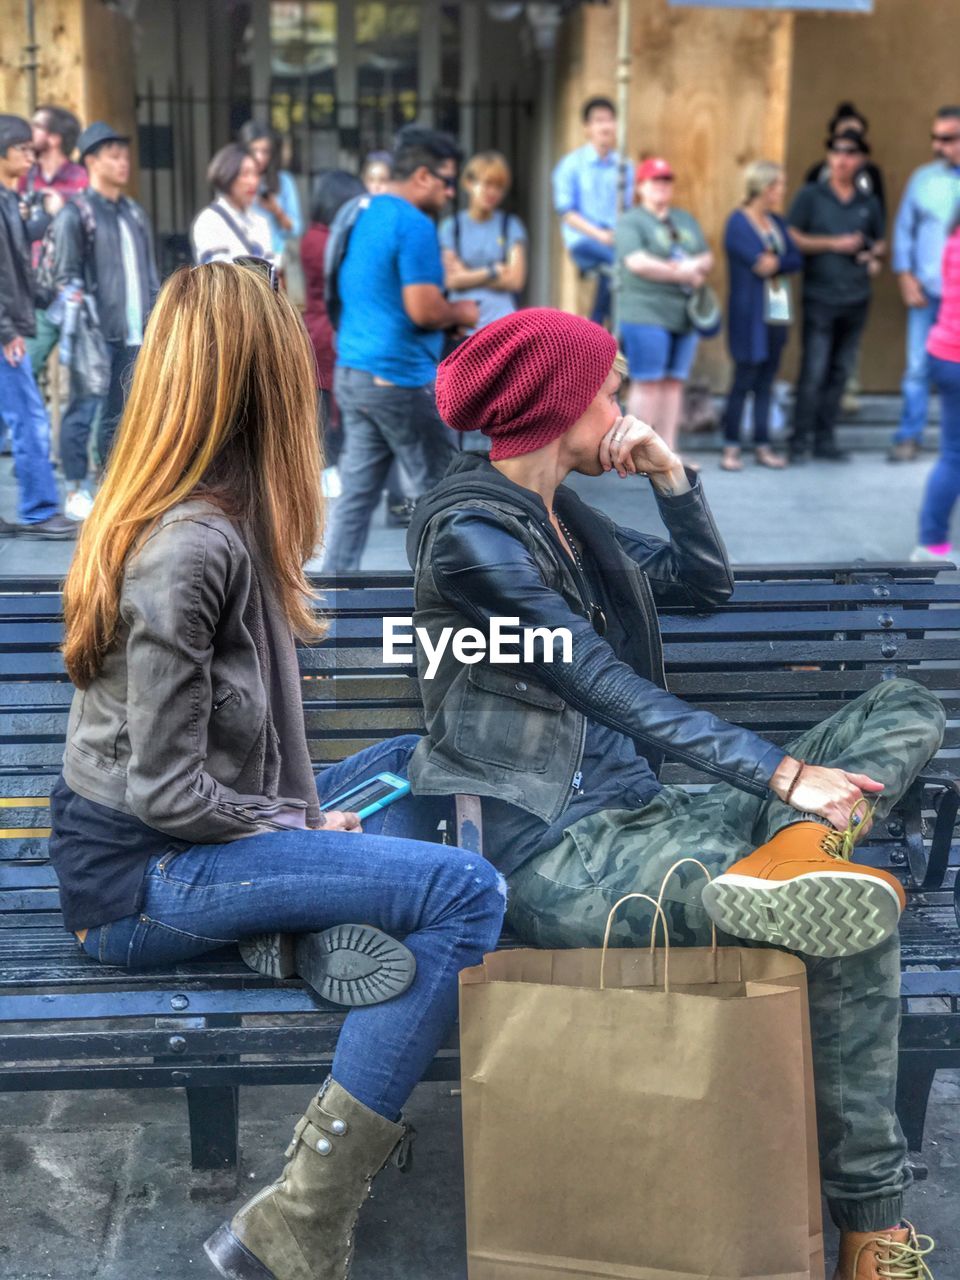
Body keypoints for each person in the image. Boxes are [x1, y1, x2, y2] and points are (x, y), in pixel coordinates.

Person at [407, 306, 945, 1280]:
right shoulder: (471, 537)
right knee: (857, 919)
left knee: (905, 702)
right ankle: (870, 1228)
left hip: (655, 815)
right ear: (560, 401)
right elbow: (599, 679)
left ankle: (791, 854)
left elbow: (704, 589)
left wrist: (672, 475)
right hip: (560, 848)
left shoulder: (562, 516)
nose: (619, 403)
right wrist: (787, 775)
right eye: (606, 387)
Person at [50, 259, 505, 1280]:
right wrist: (287, 829)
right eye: (298, 365)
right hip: (141, 879)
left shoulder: (224, 517)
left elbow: (264, 733)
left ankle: (290, 926)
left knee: (407, 762)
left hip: (196, 834)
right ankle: (297, 1218)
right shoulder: (189, 549)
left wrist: (300, 818)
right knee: (466, 892)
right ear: (263, 385)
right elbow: (165, 794)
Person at [322, 125, 478, 573]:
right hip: (399, 376)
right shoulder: (414, 223)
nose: (451, 193)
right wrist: (461, 312)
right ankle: (454, 593)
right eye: (448, 181)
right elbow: (424, 310)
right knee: (445, 490)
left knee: (357, 494)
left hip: (353, 372)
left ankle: (333, 595)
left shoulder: (358, 211)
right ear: (424, 176)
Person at [55, 122, 158, 510]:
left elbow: (148, 271)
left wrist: (154, 315)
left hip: (133, 330)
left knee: (122, 414)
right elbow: (65, 276)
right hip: (93, 333)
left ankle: (112, 485)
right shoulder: (76, 214)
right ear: (91, 162)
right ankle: (74, 488)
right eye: (113, 156)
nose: (123, 162)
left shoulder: (133, 212)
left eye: (124, 155)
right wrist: (87, 320)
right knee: (82, 409)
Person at [787, 128, 885, 463]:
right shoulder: (810, 195)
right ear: (829, 157)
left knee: (840, 372)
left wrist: (870, 255)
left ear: (861, 159)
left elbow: (880, 242)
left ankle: (825, 440)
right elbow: (792, 236)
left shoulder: (868, 202)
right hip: (820, 296)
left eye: (849, 152)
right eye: (836, 151)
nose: (842, 158)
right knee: (814, 370)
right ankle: (799, 440)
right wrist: (833, 244)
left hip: (857, 297)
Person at [0, 115, 76, 540]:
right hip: (3, 331)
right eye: (23, 149)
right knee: (29, 415)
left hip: (9, 323)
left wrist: (42, 219)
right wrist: (8, 330)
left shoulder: (9, 198)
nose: (31, 156)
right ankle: (39, 509)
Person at [615, 156, 713, 457]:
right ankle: (635, 453)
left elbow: (706, 257)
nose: (661, 186)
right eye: (655, 180)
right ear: (641, 187)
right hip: (645, 311)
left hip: (684, 314)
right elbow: (637, 262)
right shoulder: (632, 221)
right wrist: (681, 271)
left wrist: (689, 266)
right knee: (647, 381)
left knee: (674, 382)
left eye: (666, 180)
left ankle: (667, 451)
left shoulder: (684, 219)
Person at [721, 160, 803, 470]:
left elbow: (794, 259)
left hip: (778, 310)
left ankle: (762, 444)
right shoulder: (738, 222)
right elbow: (752, 260)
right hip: (749, 312)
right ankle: (731, 446)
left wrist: (778, 263)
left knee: (767, 379)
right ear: (765, 188)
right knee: (744, 378)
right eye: (778, 185)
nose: (781, 191)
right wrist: (774, 262)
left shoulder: (777, 223)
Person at [890, 105, 960, 464]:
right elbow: (904, 229)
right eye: (934, 137)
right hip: (927, 291)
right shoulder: (924, 179)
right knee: (917, 366)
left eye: (946, 139)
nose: (937, 145)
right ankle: (908, 435)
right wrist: (904, 274)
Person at [301, 168, 365, 483]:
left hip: (324, 330)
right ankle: (327, 473)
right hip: (328, 334)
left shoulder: (318, 236)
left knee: (328, 405)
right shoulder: (323, 240)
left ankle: (331, 470)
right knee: (327, 409)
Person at [18, 105, 87, 381]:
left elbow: (89, 224)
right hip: (32, 292)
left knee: (86, 383)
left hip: (71, 291)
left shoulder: (81, 179)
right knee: (21, 370)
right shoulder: (25, 177)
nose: (29, 132)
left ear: (54, 138)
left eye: (36, 126)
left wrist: (61, 208)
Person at [552, 96, 632, 326]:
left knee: (617, 269)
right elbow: (566, 212)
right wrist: (601, 236)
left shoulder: (625, 166)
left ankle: (601, 329)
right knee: (621, 264)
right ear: (587, 128)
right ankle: (597, 326)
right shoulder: (570, 165)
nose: (605, 126)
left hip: (616, 241)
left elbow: (627, 209)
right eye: (598, 121)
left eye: (609, 120)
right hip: (584, 240)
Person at [912, 209, 960, 562]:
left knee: (953, 455)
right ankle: (931, 544)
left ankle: (932, 543)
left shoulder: (953, 241)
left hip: (944, 353)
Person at [439, 149, 527, 336]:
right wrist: (493, 271)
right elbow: (451, 280)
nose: (492, 192)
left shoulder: (509, 226)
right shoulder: (452, 227)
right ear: (469, 183)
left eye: (499, 187)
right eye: (487, 184)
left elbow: (515, 280)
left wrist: (467, 275)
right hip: (463, 326)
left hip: (502, 324)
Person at [191, 143, 273, 265]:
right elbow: (219, 275)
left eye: (256, 174)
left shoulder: (260, 222)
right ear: (228, 175)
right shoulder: (209, 220)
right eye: (245, 174)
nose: (253, 181)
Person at [237, 121, 303, 261]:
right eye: (254, 150)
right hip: (241, 261)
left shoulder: (283, 181)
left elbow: (296, 229)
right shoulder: (234, 181)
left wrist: (277, 211)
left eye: (265, 151)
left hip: (274, 260)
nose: (260, 157)